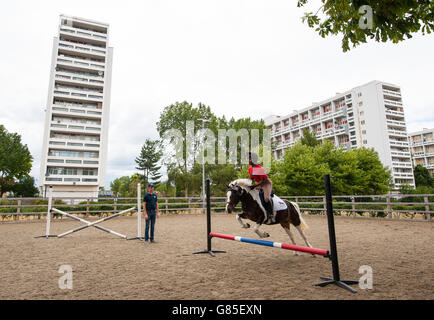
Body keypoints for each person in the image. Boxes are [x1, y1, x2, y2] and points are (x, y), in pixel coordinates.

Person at [247, 152, 274, 224]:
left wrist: (254, 186)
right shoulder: (250, 169)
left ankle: (271, 215)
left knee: (266, 198)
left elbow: (263, 181)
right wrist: (249, 185)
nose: (247, 160)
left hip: (266, 183)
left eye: (249, 159)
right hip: (258, 184)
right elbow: (251, 179)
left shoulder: (259, 168)